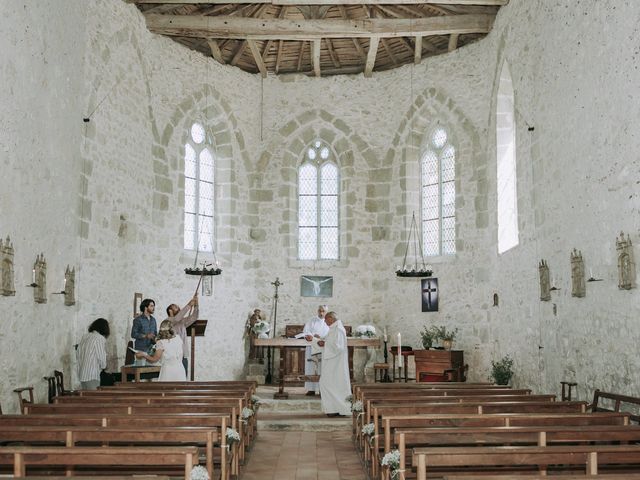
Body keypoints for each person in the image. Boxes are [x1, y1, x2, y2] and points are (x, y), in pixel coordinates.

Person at [318, 311, 351, 417]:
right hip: (332, 362)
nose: (325, 321)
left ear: (331, 318)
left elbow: (339, 347)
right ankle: (334, 409)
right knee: (330, 385)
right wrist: (320, 341)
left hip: (336, 364)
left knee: (327, 383)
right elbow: (331, 343)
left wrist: (325, 343)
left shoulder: (339, 329)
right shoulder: (333, 329)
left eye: (326, 319)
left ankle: (338, 409)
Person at [166, 295, 199, 375]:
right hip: (173, 356)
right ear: (170, 311)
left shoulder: (182, 322)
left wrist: (196, 304)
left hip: (183, 356)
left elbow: (195, 317)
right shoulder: (167, 321)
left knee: (183, 378)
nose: (178, 307)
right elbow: (177, 318)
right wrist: (189, 304)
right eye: (175, 307)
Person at [303, 305, 330, 396]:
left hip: (323, 347)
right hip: (312, 346)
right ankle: (311, 389)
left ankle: (323, 389)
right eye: (320, 311)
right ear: (317, 311)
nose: (321, 313)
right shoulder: (312, 320)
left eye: (323, 311)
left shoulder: (328, 322)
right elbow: (306, 331)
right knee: (311, 367)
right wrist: (313, 336)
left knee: (323, 368)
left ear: (326, 312)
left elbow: (330, 333)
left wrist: (322, 337)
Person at [77, 318, 109, 390]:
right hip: (92, 374)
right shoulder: (99, 338)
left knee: (86, 399)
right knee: (94, 399)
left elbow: (78, 354)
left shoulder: (85, 337)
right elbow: (101, 356)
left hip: (82, 374)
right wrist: (104, 365)